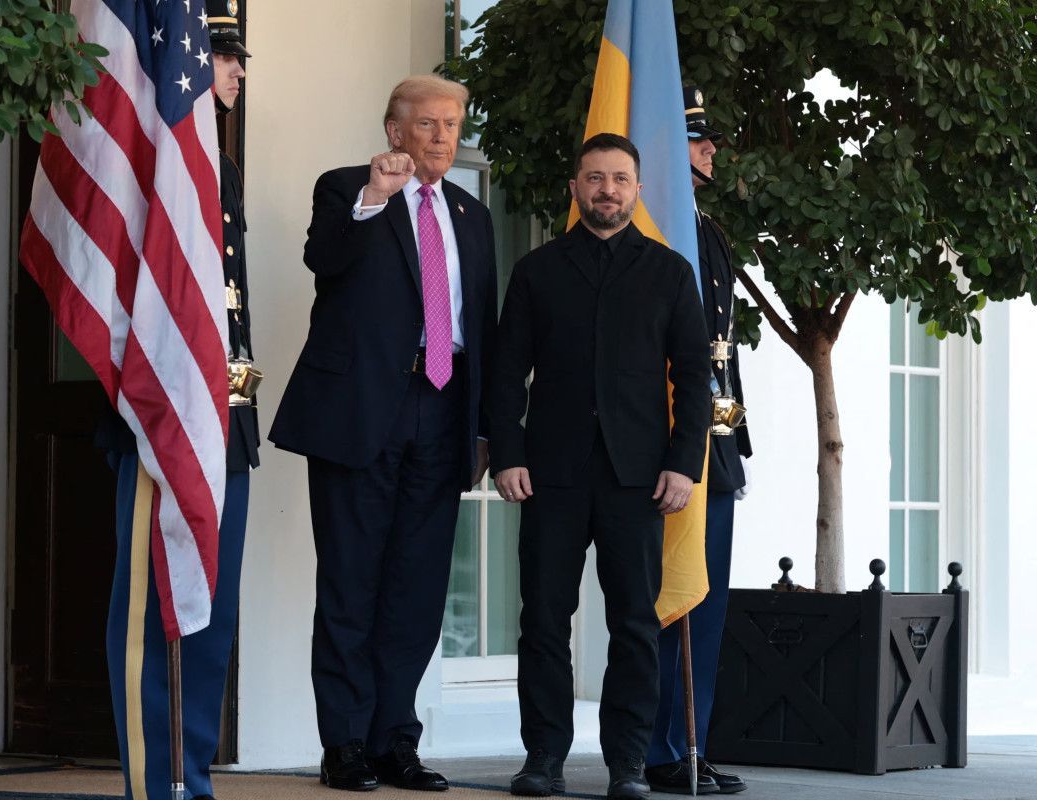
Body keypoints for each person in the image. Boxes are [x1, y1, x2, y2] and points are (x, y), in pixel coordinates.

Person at [268, 75, 497, 792]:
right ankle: (345, 744)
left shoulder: (472, 214)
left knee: (416, 590)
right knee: (351, 582)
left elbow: (483, 328)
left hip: (444, 410)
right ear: (395, 131)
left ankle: (395, 739)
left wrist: (485, 428)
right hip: (362, 411)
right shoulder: (348, 189)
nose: (442, 136)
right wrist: (376, 195)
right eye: (427, 123)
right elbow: (324, 260)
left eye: (452, 124)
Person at [491, 133, 712, 800]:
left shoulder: (669, 272)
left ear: (637, 189)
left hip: (639, 478)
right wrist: (507, 454)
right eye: (594, 178)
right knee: (542, 622)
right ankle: (543, 759)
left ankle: (628, 764)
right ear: (576, 188)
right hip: (550, 474)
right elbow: (506, 372)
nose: (606, 190)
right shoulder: (537, 271)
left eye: (618, 178)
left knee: (635, 625)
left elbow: (695, 378)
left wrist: (684, 464)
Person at [100, 5, 258, 798]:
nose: (233, 71)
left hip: (226, 418)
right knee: (154, 604)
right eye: (220, 55)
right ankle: (157, 781)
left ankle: (191, 775)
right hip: (160, 414)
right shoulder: (152, 156)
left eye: (235, 60)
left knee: (211, 609)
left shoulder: (216, 166)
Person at [644, 86, 753, 796]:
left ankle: (691, 744)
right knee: (664, 603)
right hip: (662, 448)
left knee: (705, 604)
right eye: (695, 138)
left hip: (713, 443)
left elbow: (722, 357)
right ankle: (656, 749)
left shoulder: (706, 232)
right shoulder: (650, 234)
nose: (710, 148)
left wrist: (732, 444)